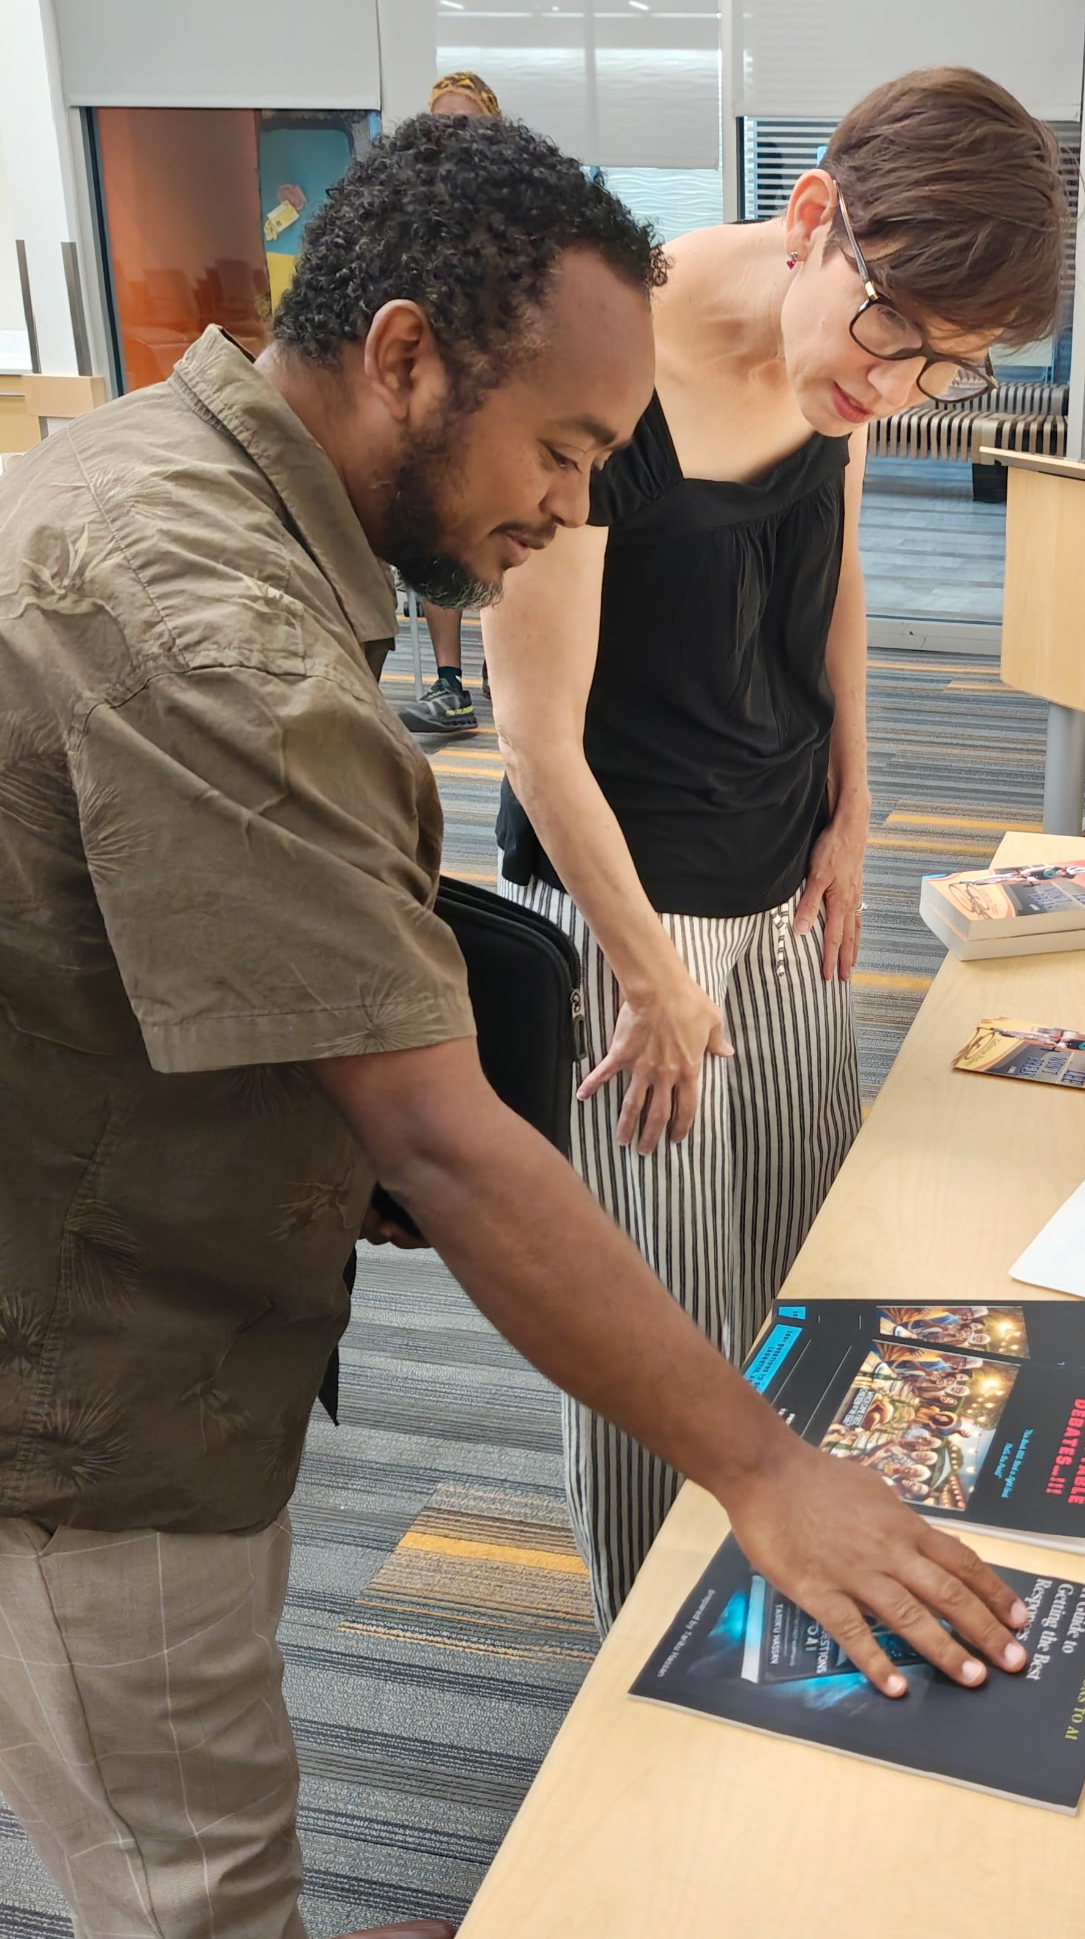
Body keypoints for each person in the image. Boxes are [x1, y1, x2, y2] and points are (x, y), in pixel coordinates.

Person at [0, 112, 1030, 1939]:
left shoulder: (187, 459)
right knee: (186, 1862)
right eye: (560, 451)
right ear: (405, 355)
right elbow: (442, 1135)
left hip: (147, 1211)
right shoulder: (219, 632)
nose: (571, 508)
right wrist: (771, 1473)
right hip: (85, 1365)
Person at [483, 67, 1069, 1623]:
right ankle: (643, 1674)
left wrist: (852, 813)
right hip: (631, 907)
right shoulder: (594, 361)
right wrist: (646, 977)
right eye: (896, 337)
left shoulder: (848, 379)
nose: (899, 390)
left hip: (780, 867)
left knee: (810, 1268)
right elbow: (535, 738)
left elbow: (838, 582)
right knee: (655, 1330)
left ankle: (791, 1621)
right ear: (815, 217)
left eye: (953, 370)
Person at [398, 71, 504, 736]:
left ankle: (505, 665)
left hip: (495, 396)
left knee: (499, 533)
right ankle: (448, 684)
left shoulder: (510, 210)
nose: (451, 134)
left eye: (463, 121)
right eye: (441, 122)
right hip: (435, 393)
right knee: (436, 537)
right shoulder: (414, 209)